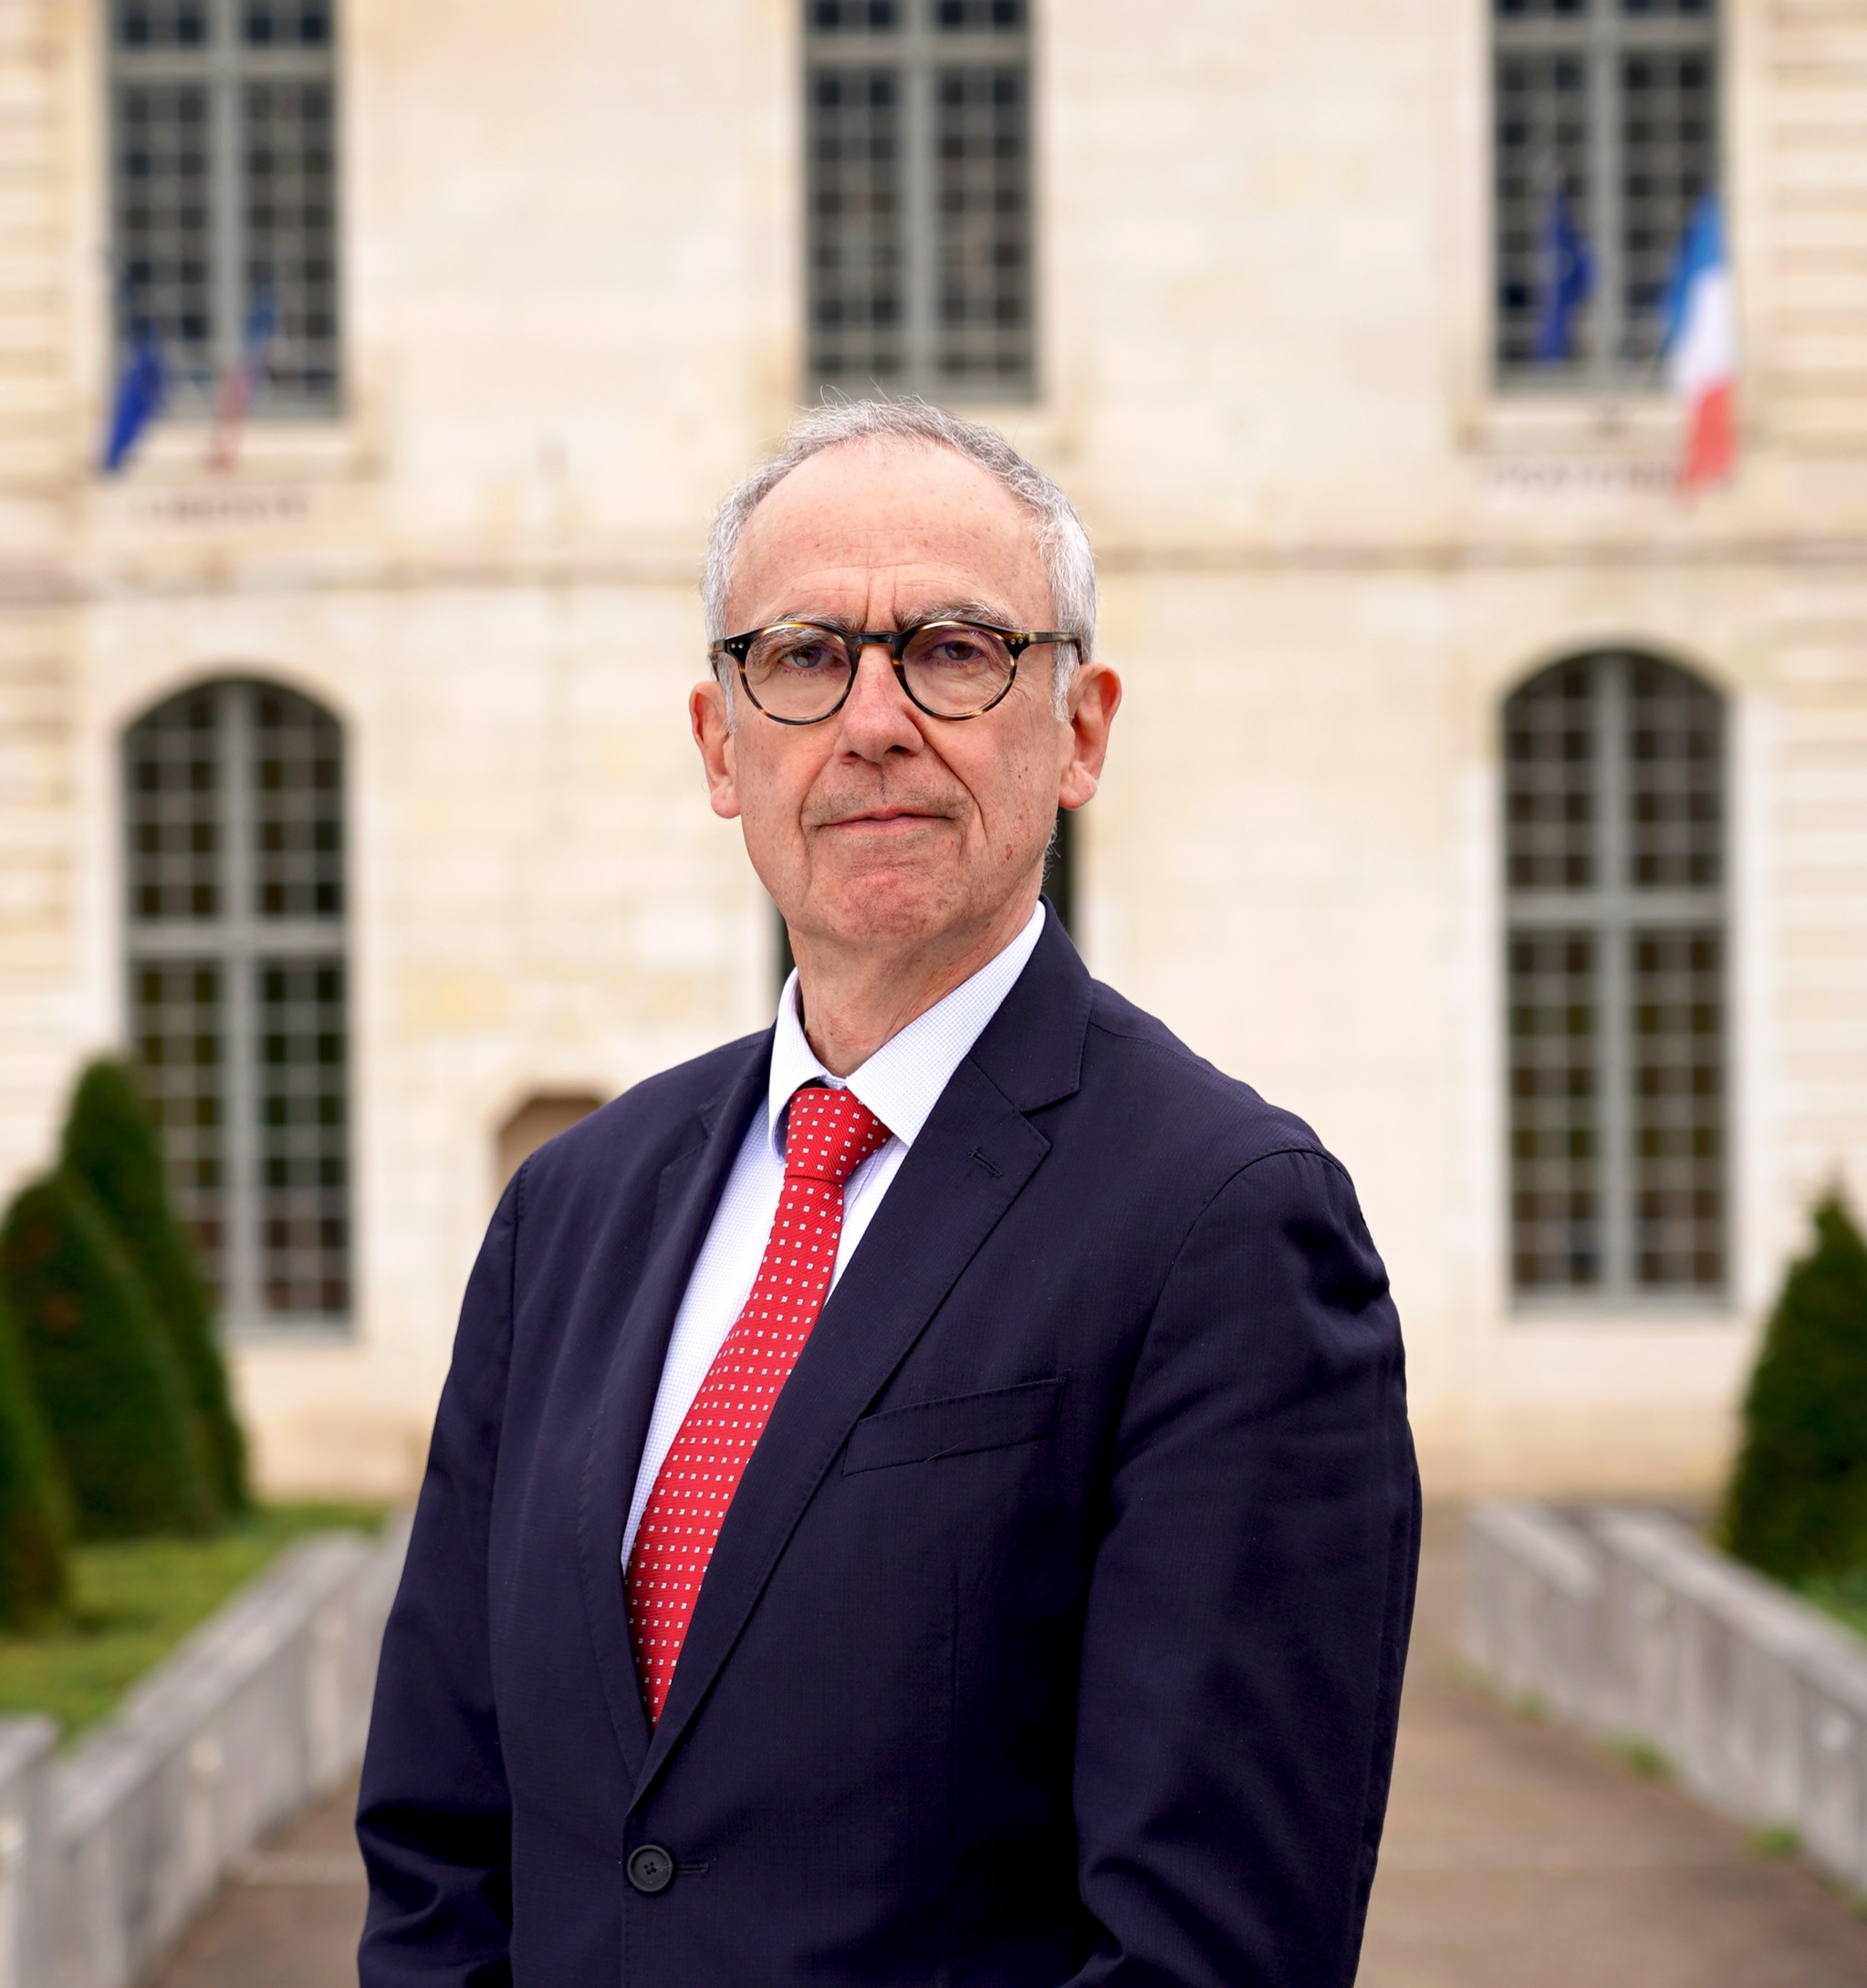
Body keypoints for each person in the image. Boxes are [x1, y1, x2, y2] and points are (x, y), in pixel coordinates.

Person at [357, 401, 1420, 1988]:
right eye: (801, 657)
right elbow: (441, 1847)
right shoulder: (566, 1218)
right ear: (724, 746)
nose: (870, 721)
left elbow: (1209, 1956)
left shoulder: (1226, 1228)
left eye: (954, 647)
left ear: (1080, 729)